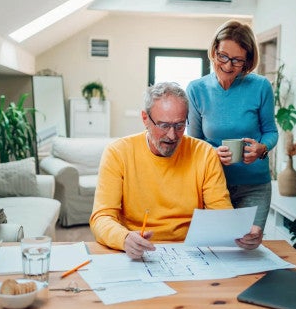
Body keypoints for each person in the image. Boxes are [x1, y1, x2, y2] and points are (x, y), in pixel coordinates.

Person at [89, 82, 263, 259]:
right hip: (138, 251)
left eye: (180, 125)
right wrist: (124, 238)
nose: (172, 135)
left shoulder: (204, 153)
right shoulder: (118, 152)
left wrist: (242, 231)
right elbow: (101, 217)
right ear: (145, 119)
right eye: (164, 126)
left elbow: (221, 213)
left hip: (192, 253)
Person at [186, 20, 278, 231]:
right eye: (223, 56)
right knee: (216, 247)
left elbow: (270, 131)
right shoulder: (196, 90)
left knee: (247, 246)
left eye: (237, 61)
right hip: (212, 186)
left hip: (254, 186)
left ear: (247, 61)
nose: (228, 66)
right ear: (214, 50)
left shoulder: (261, 87)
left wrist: (262, 149)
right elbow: (194, 142)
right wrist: (213, 153)